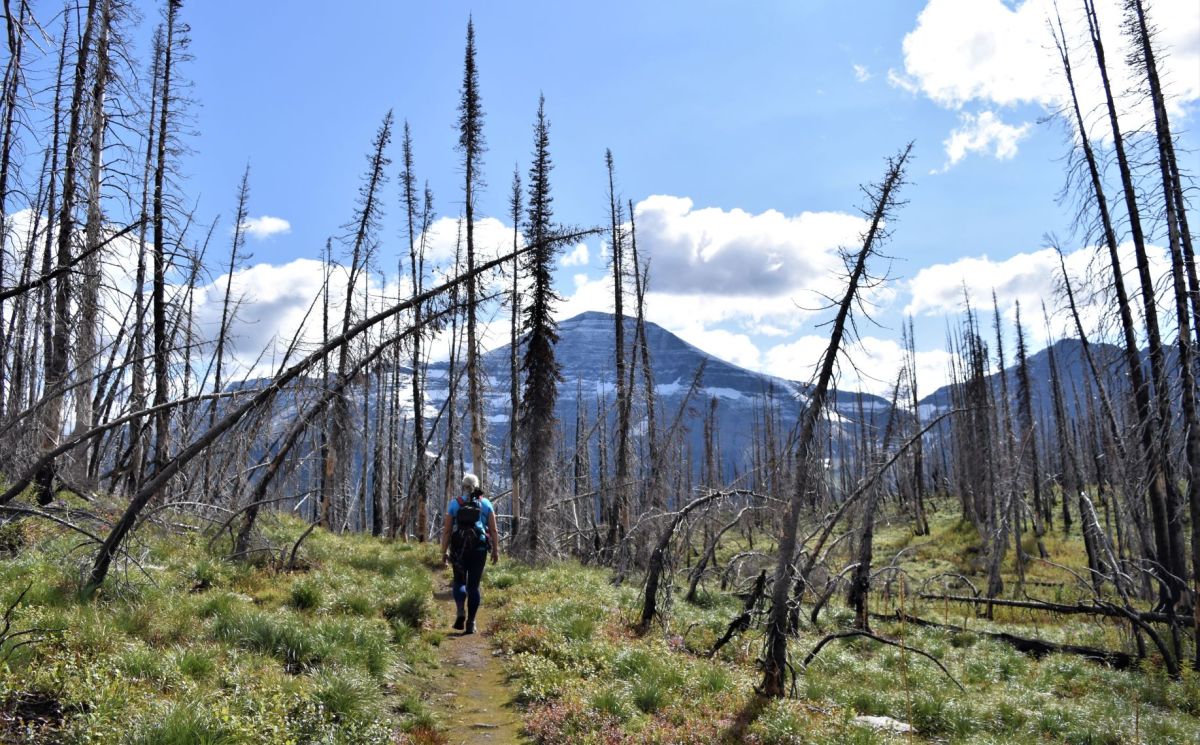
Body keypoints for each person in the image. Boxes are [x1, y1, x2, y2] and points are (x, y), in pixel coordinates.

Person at [440, 473, 500, 634]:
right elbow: (493, 530)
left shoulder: (455, 503)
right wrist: (495, 549)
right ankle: (471, 623)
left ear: (463, 486)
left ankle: (460, 610)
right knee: (474, 586)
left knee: (459, 582)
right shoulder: (485, 503)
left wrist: (444, 552)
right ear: (477, 485)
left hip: (459, 547)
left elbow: (447, 531)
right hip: (479, 548)